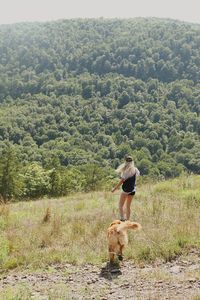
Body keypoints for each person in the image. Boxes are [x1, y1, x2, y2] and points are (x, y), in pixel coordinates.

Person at [111, 155, 140, 221]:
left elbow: (121, 181)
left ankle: (122, 219)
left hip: (125, 190)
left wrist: (114, 189)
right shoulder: (135, 169)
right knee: (128, 206)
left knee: (120, 205)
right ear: (132, 162)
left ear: (125, 162)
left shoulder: (125, 171)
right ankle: (128, 220)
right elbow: (138, 175)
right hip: (132, 190)